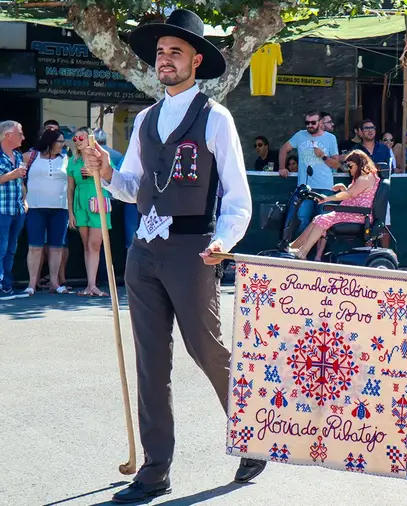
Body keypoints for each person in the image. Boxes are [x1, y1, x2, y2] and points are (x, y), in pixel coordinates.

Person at [80, 10, 265, 502]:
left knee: (206, 350)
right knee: (150, 362)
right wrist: (104, 170)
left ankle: (251, 433)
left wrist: (224, 240)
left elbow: (238, 196)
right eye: (161, 52)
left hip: (194, 250)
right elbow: (131, 187)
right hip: (145, 250)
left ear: (195, 60)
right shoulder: (143, 119)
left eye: (175, 52)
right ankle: (155, 469)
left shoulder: (215, 117)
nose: (165, 58)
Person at [286, 150, 380, 260]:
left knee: (323, 219)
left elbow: (349, 194)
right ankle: (293, 247)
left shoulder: (365, 178)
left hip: (360, 215)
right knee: (318, 218)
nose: (349, 170)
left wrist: (327, 198)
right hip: (355, 212)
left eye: (350, 166)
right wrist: (343, 188)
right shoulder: (364, 177)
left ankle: (303, 251)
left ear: (359, 163)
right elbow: (354, 194)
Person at [68, 127, 114, 296]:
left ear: (90, 139)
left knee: (95, 244)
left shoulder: (100, 158)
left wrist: (96, 174)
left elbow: (112, 178)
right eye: (75, 139)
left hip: (97, 201)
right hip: (80, 203)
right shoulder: (73, 161)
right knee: (86, 245)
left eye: (81, 137)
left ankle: (93, 285)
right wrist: (70, 213)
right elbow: (70, 189)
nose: (78, 141)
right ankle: (90, 284)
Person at [24, 128, 70, 295]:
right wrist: (23, 199)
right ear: (50, 142)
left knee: (56, 247)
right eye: (60, 141)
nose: (63, 144)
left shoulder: (66, 159)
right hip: (35, 207)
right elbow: (20, 179)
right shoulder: (31, 157)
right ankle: (31, 284)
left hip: (60, 208)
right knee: (35, 246)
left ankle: (54, 283)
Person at [0, 121, 27, 300]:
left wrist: (26, 201)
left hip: (17, 209)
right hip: (2, 209)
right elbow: (12, 177)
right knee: (1, 249)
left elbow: (21, 183)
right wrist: (13, 174)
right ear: (7, 135)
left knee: (11, 249)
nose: (23, 137)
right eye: (19, 133)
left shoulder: (17, 155)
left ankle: (7, 286)